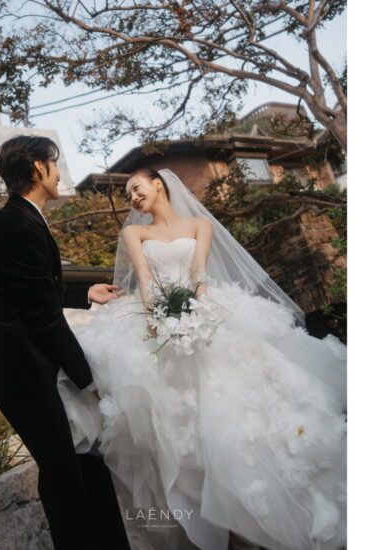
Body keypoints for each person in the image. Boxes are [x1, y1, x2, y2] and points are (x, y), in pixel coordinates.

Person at [59, 168, 347, 550]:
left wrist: (198, 309)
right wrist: (156, 320)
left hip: (200, 307)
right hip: (156, 312)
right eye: (128, 195)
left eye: (136, 188)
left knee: (237, 404)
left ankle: (256, 506)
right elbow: (144, 278)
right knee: (179, 419)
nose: (133, 197)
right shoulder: (135, 233)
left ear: (158, 183)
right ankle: (212, 517)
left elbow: (198, 270)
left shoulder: (199, 225)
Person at [0, 135, 131, 550]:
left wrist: (85, 293)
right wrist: (88, 380)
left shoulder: (22, 220)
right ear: (37, 168)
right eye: (55, 164)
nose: (60, 173)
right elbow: (44, 318)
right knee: (64, 472)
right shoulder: (18, 225)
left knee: (82, 462)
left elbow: (33, 292)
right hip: (19, 369)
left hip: (25, 365)